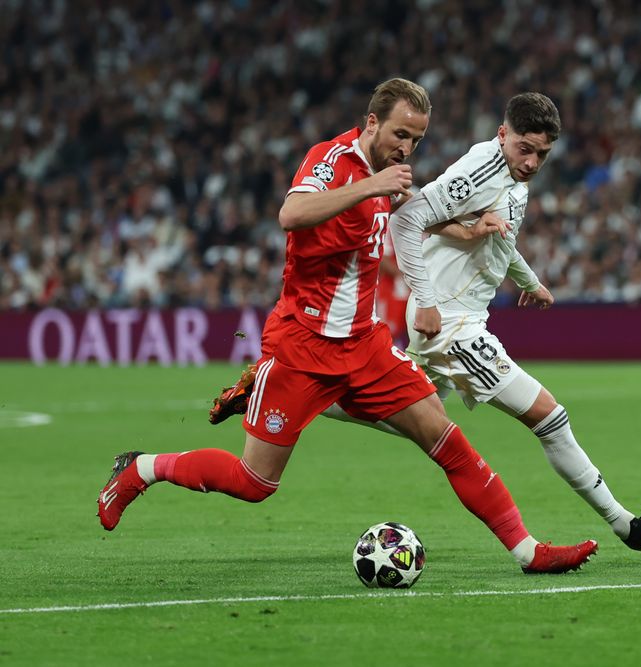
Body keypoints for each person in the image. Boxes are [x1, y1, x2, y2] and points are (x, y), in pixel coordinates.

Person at [98, 78, 598, 575]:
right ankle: (143, 468)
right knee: (255, 483)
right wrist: (370, 186)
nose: (406, 148)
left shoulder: (389, 175)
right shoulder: (332, 161)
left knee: (446, 438)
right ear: (373, 122)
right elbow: (290, 214)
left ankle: (528, 551)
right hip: (302, 345)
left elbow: (408, 210)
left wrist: (464, 228)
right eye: (400, 134)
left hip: (364, 344)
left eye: (416, 140)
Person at [210, 92, 641, 553]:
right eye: (525, 149)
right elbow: (408, 219)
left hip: (459, 319)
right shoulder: (480, 169)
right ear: (503, 134)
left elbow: (496, 241)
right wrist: (428, 300)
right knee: (549, 417)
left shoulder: (515, 178)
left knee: (423, 420)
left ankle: (274, 393)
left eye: (543, 154)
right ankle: (624, 526)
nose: (533, 162)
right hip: (452, 327)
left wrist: (529, 279)